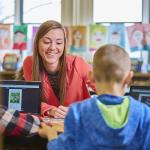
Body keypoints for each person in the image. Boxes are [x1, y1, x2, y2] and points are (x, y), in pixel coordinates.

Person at [38, 44, 150, 150]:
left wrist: (51, 134)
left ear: (91, 76)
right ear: (129, 78)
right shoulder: (144, 114)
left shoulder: (78, 113)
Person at [23, 20, 95, 119]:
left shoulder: (78, 63)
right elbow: (32, 99)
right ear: (37, 43)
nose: (53, 47)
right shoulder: (29, 63)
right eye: (47, 42)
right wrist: (50, 110)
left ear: (64, 45)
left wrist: (80, 110)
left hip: (78, 125)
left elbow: (105, 89)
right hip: (47, 127)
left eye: (59, 42)